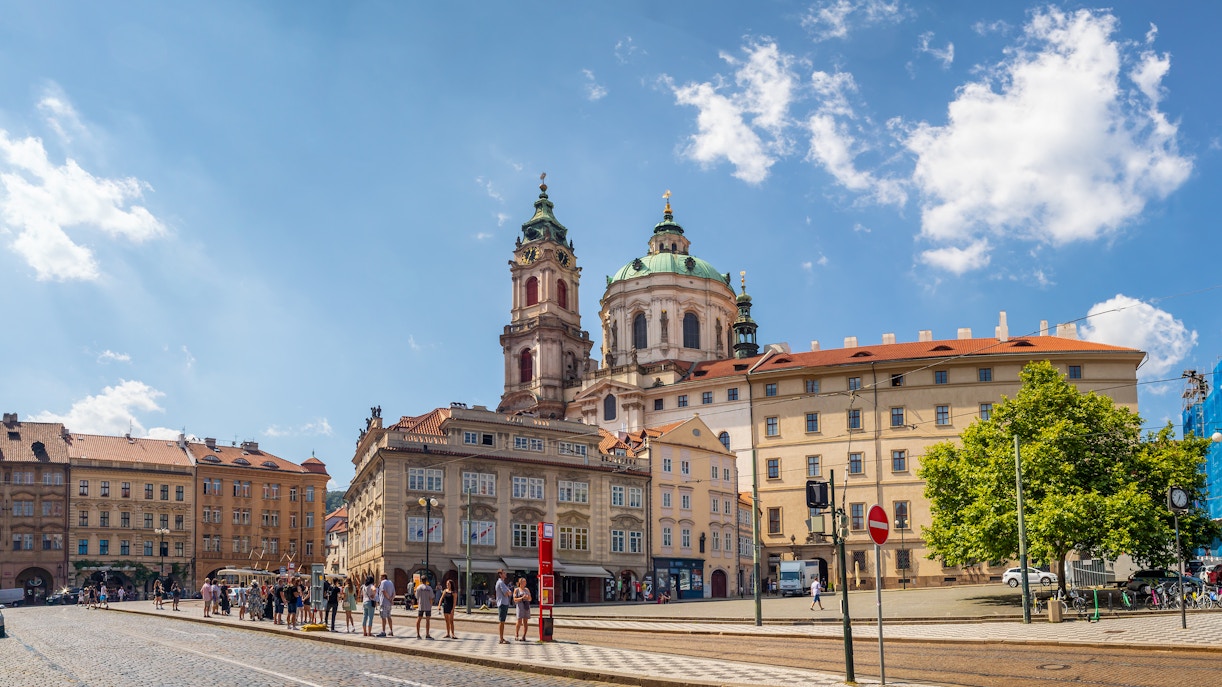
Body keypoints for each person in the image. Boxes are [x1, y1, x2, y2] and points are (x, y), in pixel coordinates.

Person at [494, 569, 512, 644]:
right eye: (504, 573)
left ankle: (502, 638)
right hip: (502, 603)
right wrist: (508, 592)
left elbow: (510, 593)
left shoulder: (503, 583)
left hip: (504, 603)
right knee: (501, 621)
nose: (505, 574)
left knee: (503, 621)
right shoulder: (500, 583)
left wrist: (509, 592)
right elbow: (506, 593)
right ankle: (501, 639)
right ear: (500, 574)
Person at [513, 577, 532, 641]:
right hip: (520, 606)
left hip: (526, 606)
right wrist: (522, 598)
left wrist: (527, 597)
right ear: (520, 583)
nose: (525, 583)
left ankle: (524, 636)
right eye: (524, 582)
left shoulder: (527, 590)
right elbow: (515, 599)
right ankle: (516, 634)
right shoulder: (517, 590)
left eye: (525, 582)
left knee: (525, 621)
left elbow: (530, 599)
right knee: (519, 621)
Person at [376, 573, 395, 637]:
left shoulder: (383, 582)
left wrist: (389, 598)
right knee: (389, 616)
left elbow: (384, 591)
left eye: (381, 577)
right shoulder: (391, 582)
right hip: (389, 603)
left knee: (383, 617)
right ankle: (391, 630)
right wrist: (391, 600)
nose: (380, 578)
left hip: (384, 602)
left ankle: (383, 631)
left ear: (384, 577)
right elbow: (394, 593)